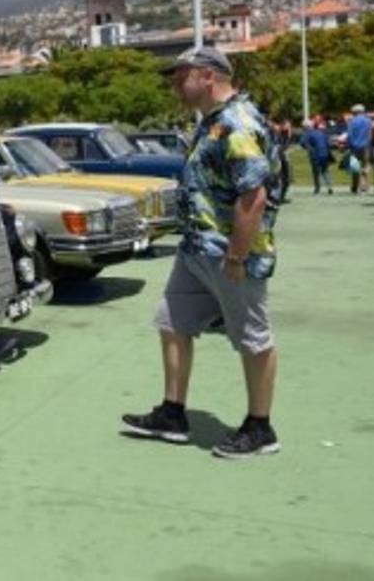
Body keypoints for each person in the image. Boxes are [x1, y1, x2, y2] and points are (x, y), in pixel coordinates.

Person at [122, 46, 282, 459]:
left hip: (230, 254)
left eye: (181, 76)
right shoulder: (212, 123)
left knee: (252, 337)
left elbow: (254, 197)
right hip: (197, 248)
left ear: (208, 76)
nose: (176, 84)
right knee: (172, 321)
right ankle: (173, 413)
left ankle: (260, 428)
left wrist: (236, 256)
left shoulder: (237, 123)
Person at [299, 119, 334, 195]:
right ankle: (329, 187)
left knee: (316, 172)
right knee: (325, 171)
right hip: (325, 154)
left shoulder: (307, 134)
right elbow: (328, 143)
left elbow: (302, 143)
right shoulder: (321, 132)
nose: (302, 128)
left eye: (303, 127)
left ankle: (317, 188)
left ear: (306, 127)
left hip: (315, 155)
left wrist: (308, 148)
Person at [346, 104, 374, 194]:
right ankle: (364, 186)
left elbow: (349, 135)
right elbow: (370, 134)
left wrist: (349, 145)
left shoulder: (352, 121)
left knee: (355, 167)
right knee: (366, 166)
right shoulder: (368, 121)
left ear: (355, 112)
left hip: (354, 147)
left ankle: (354, 187)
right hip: (366, 146)